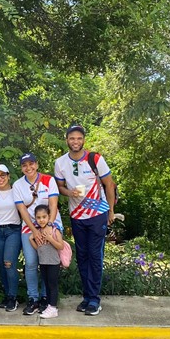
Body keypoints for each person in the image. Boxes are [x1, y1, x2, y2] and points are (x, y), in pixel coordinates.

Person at [54, 124, 116, 316]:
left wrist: (111, 211)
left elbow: (109, 184)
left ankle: (94, 299)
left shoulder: (95, 159)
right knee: (82, 257)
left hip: (98, 214)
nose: (75, 141)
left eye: (79, 138)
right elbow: (60, 187)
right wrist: (68, 192)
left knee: (95, 256)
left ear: (83, 140)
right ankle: (87, 297)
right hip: (77, 216)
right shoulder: (60, 163)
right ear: (67, 140)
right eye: (72, 138)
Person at [13, 152, 63, 316]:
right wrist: (35, 231)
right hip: (30, 227)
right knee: (31, 263)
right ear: (21, 168)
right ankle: (33, 298)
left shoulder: (49, 180)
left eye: (31, 164)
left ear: (37, 164)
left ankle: (46, 298)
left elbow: (53, 204)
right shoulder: (18, 185)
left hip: (50, 225)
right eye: (24, 165)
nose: (28, 167)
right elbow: (22, 210)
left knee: (48, 263)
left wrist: (49, 225)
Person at [0, 163, 22, 312]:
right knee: (2, 265)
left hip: (13, 230)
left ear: (8, 176)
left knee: (9, 263)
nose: (0, 178)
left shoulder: (16, 191)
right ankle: (8, 295)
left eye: (3, 175)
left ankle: (13, 297)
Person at [28, 205, 63, 319]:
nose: (41, 220)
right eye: (38, 217)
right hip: (43, 263)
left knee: (52, 285)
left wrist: (50, 239)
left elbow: (61, 246)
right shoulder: (38, 232)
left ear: (49, 217)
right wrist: (31, 239)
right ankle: (49, 306)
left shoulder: (54, 230)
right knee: (47, 285)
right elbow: (39, 248)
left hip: (53, 263)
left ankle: (53, 308)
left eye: (44, 217)